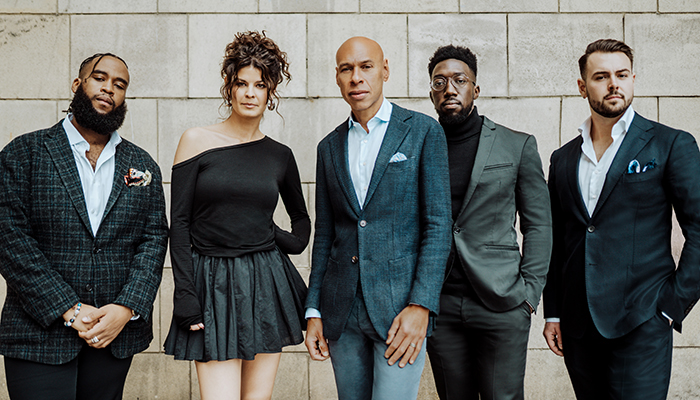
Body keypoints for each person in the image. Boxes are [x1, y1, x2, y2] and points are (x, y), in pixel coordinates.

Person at [0, 53, 168, 400]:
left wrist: (127, 308)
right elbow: (9, 237)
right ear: (78, 85)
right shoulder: (24, 153)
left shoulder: (142, 164)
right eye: (100, 78)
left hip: (113, 335)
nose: (109, 88)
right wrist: (68, 308)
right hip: (37, 333)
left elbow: (153, 239)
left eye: (119, 85)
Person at [543, 38, 700, 400]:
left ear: (632, 79)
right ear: (582, 87)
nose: (614, 83)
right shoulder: (563, 159)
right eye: (601, 76)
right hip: (579, 326)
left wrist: (670, 307)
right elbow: (558, 239)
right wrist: (554, 313)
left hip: (642, 320)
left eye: (622, 74)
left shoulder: (670, 144)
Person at [163, 31, 311, 400]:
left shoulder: (280, 155)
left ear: (270, 91)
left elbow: (302, 222)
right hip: (210, 281)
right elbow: (178, 223)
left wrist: (275, 234)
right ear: (229, 88)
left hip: (265, 281)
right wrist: (185, 293)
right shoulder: (195, 140)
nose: (250, 93)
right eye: (241, 83)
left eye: (259, 85)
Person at [304, 36, 452, 400]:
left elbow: (437, 226)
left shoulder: (422, 131)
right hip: (341, 310)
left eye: (366, 66)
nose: (357, 77)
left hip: (400, 312)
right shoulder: (329, 147)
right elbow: (325, 234)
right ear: (337, 78)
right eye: (346, 69)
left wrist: (422, 305)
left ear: (384, 70)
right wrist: (314, 309)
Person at [424, 45, 552, 400]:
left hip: (502, 301)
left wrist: (529, 294)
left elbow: (539, 224)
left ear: (475, 89)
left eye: (459, 80)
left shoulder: (517, 145)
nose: (449, 88)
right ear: (431, 93)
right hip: (440, 304)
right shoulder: (419, 146)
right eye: (439, 82)